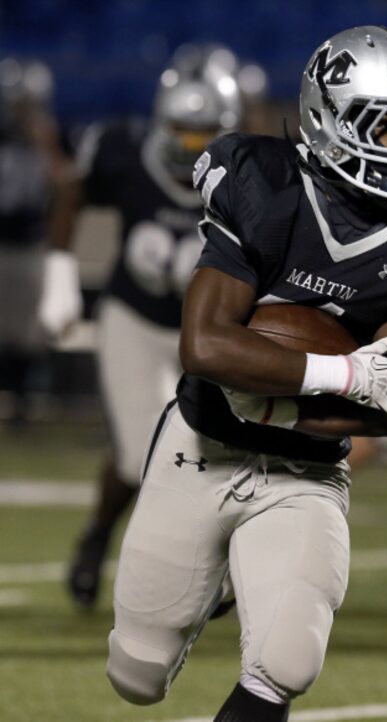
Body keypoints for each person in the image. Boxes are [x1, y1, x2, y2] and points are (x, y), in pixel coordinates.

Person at [104, 26, 387, 721]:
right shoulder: (265, 183)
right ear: (330, 117)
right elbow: (206, 349)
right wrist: (338, 372)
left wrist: (282, 381)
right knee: (136, 673)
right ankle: (210, 582)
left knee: (287, 662)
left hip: (306, 473)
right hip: (201, 447)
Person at [38, 45, 244, 608]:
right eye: (182, 129)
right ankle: (99, 536)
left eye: (204, 134)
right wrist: (60, 277)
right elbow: (71, 192)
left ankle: (210, 565)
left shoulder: (249, 174)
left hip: (210, 330)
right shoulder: (124, 152)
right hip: (135, 317)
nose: (191, 145)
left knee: (222, 451)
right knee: (136, 455)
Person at [0, 57, 70, 426]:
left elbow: (62, 183)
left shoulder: (46, 135)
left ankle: (22, 406)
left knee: (27, 332)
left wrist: (44, 141)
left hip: (29, 241)